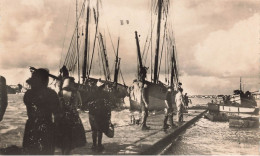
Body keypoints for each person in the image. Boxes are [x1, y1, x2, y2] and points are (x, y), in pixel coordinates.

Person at [23, 68, 62, 155]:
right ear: (45, 80)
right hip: (47, 128)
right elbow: (58, 114)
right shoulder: (51, 94)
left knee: (31, 152)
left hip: (31, 127)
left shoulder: (28, 94)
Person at [56, 69, 86, 154]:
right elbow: (80, 104)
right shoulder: (76, 93)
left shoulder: (60, 93)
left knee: (62, 137)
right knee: (72, 138)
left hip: (61, 117)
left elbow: (57, 105)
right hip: (73, 117)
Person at [88, 82, 111, 151]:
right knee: (100, 130)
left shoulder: (92, 93)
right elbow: (108, 106)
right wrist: (109, 115)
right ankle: (99, 145)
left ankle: (94, 145)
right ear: (103, 87)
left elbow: (86, 104)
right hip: (101, 114)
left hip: (92, 114)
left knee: (93, 130)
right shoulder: (105, 94)